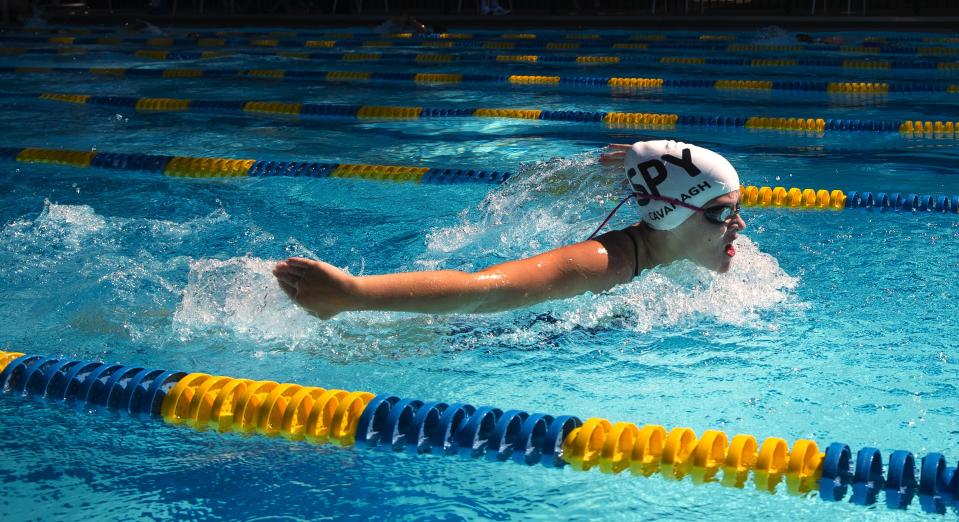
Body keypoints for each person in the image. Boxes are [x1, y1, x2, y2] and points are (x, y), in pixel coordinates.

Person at [273, 140, 746, 319]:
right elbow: (483, 292)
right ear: (673, 212)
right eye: (722, 214)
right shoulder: (603, 264)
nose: (739, 225)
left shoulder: (692, 254)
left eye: (739, 211)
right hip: (450, 341)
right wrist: (352, 294)